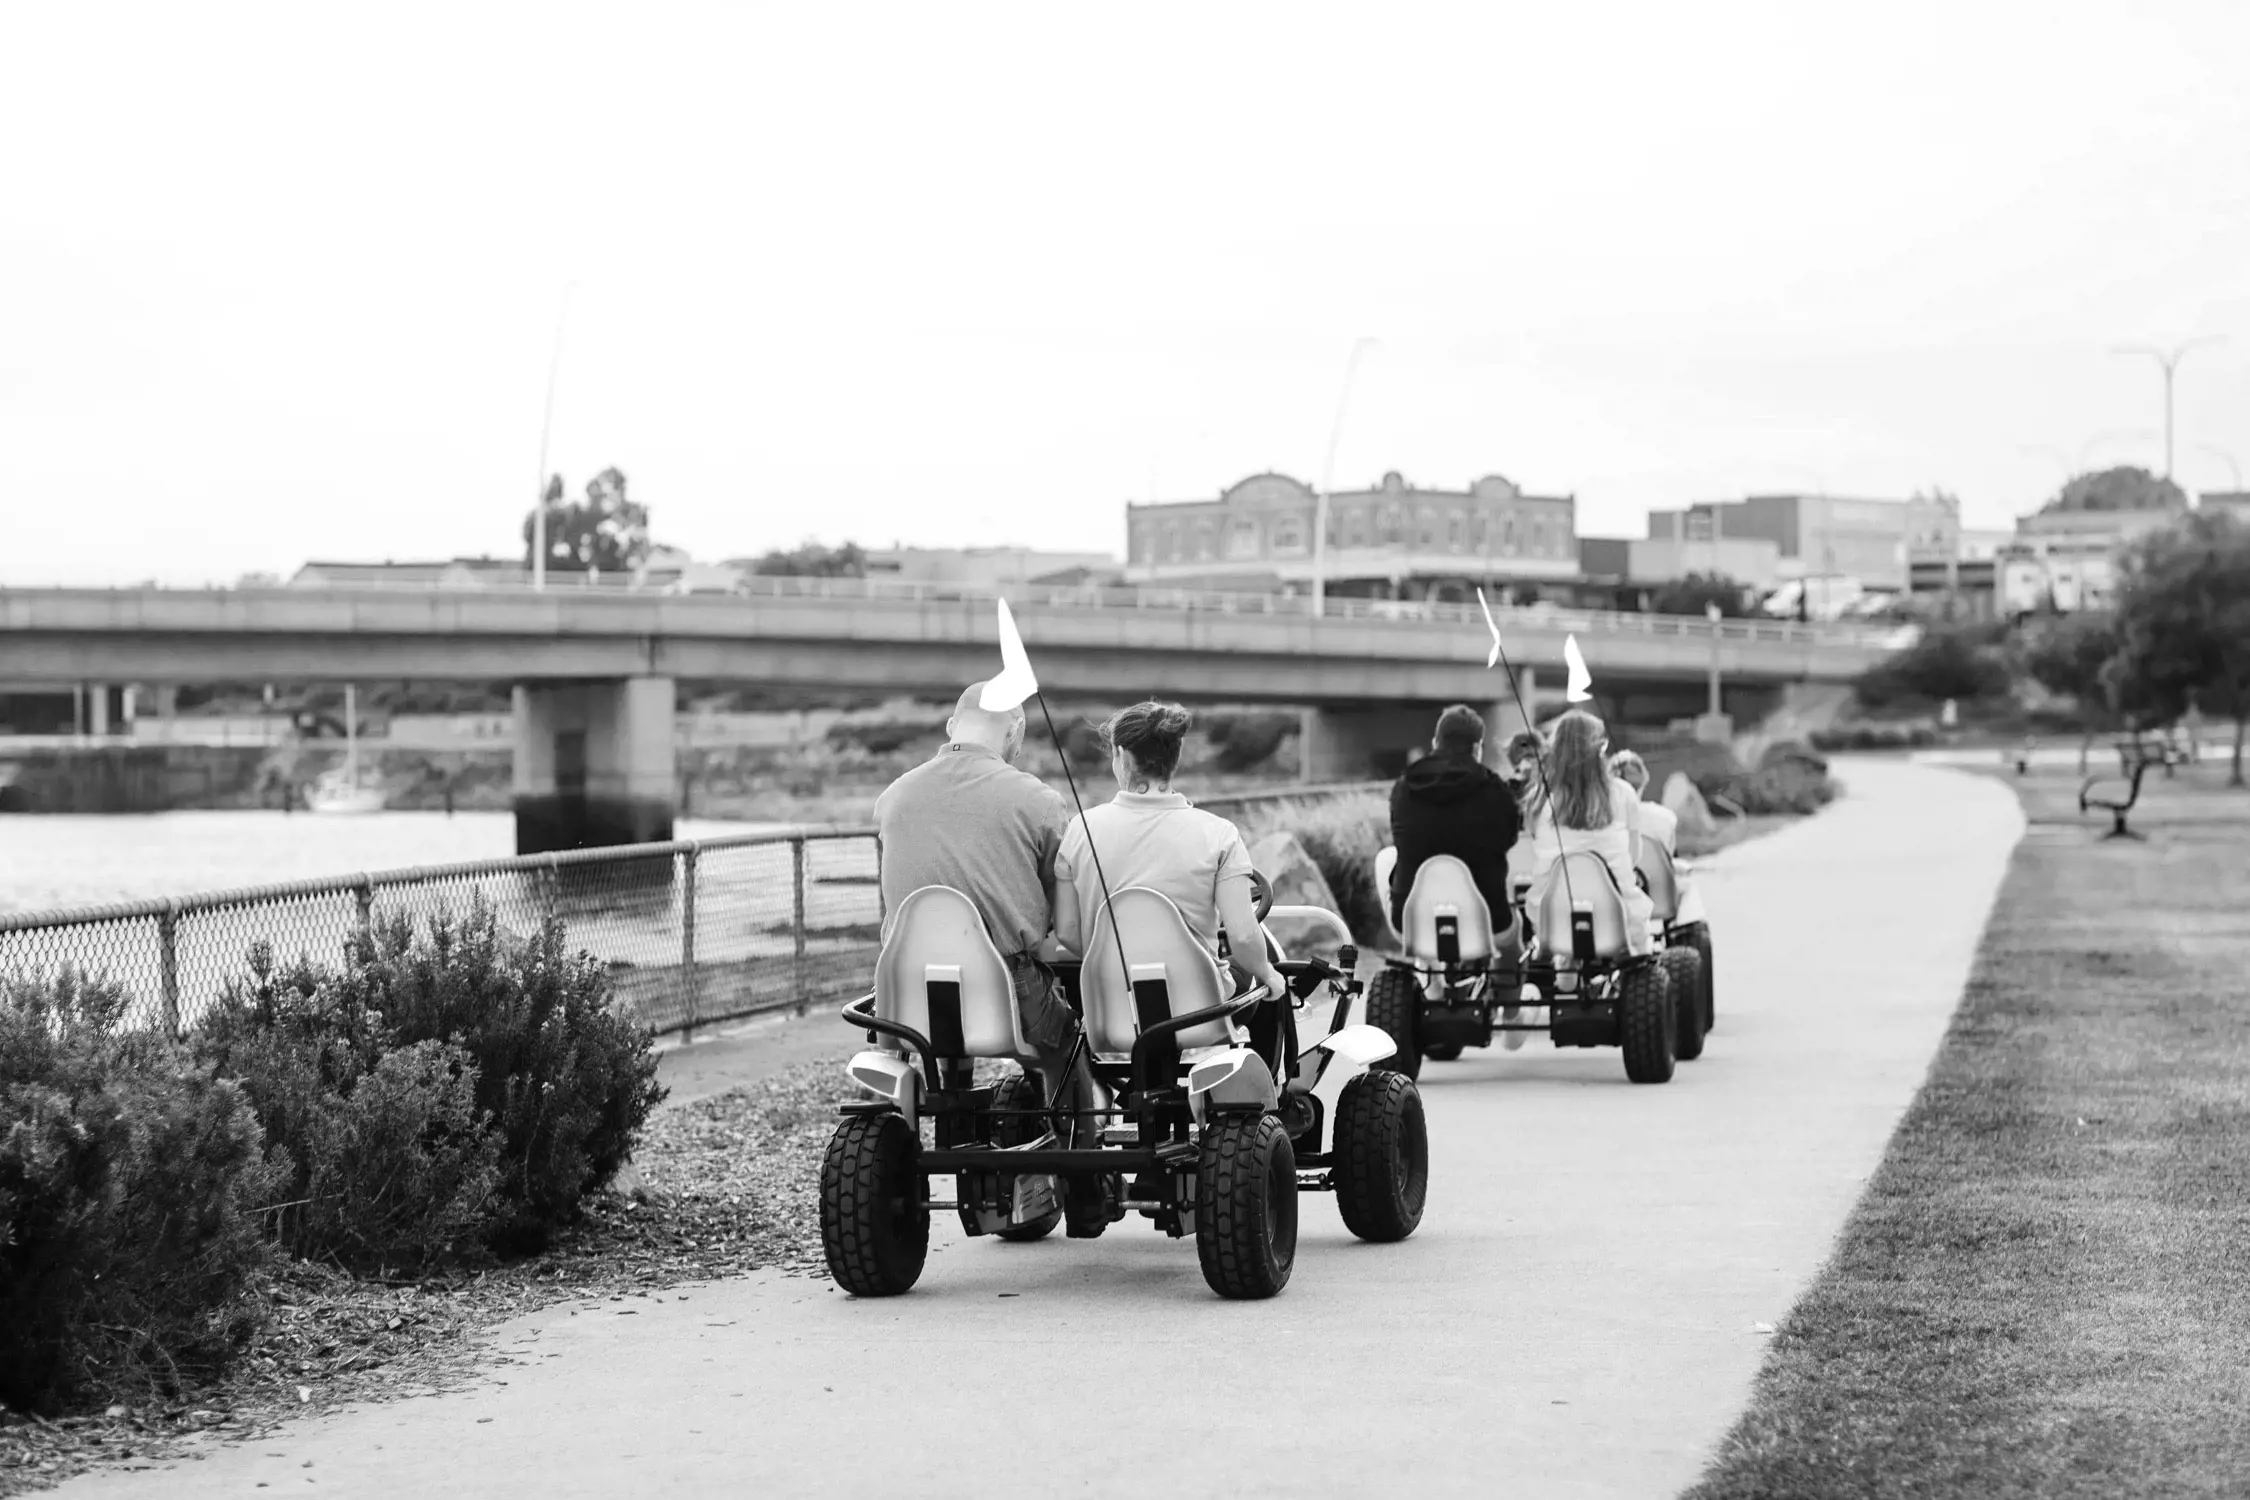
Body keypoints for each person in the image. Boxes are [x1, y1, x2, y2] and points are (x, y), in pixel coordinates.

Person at [873, 681, 1102, 1222]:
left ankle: (952, 1115)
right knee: (1068, 1047)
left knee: (946, 983)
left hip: (906, 1000)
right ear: (1015, 733)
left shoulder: (893, 797)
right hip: (1009, 995)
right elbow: (1061, 916)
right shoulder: (1038, 801)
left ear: (952, 726)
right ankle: (1087, 1189)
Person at [1521, 711, 1655, 959]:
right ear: (1599, 750)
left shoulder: (1540, 800)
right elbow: (1633, 858)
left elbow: (1535, 859)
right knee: (1642, 946)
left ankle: (1565, 970)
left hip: (1552, 919)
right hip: (1616, 919)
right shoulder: (1624, 793)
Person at [1384, 704, 1522, 936]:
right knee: (1512, 934)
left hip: (1412, 918)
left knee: (1386, 858)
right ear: (1477, 748)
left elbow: (1401, 836)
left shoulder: (1404, 786)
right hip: (1487, 919)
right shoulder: (1497, 790)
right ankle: (1500, 972)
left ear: (1435, 743)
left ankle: (1425, 965)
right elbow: (1510, 839)